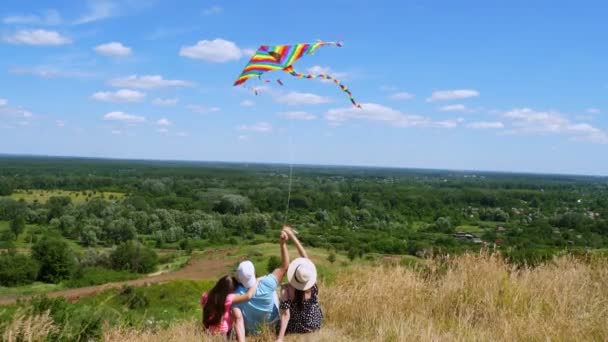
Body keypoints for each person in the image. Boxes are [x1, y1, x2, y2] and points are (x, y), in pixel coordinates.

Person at [232, 230, 290, 336]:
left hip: (251, 332)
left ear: (239, 278)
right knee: (273, 292)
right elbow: (285, 267)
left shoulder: (236, 293)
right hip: (272, 327)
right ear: (254, 272)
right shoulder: (267, 283)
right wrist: (282, 244)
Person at [276, 226, 323, 341]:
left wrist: (280, 338)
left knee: (276, 322)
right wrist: (292, 236)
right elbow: (304, 256)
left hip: (296, 326)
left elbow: (286, 316)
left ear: (294, 274)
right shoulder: (312, 284)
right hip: (314, 322)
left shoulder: (286, 290)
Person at [201, 275, 257, 341]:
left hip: (209, 331)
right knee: (236, 312)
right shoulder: (228, 298)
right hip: (225, 333)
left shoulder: (205, 296)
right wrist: (256, 282)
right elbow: (248, 296)